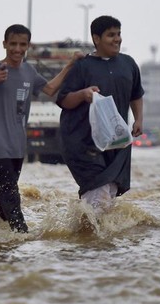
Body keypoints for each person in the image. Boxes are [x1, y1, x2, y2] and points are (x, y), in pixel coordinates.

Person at [0, 24, 76, 232]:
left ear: (28, 46)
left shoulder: (29, 71)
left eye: (22, 44)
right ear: (4, 44)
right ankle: (22, 235)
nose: (17, 49)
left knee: (2, 200)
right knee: (10, 193)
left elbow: (50, 89)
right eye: (13, 44)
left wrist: (70, 65)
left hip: (17, 146)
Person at [56, 15, 144, 213]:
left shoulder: (128, 64)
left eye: (119, 34)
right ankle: (91, 239)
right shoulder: (82, 67)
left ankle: (89, 238)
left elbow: (136, 94)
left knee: (109, 190)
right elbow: (63, 100)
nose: (117, 39)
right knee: (98, 190)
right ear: (96, 38)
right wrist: (83, 94)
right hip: (84, 143)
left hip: (117, 142)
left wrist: (138, 119)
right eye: (111, 35)